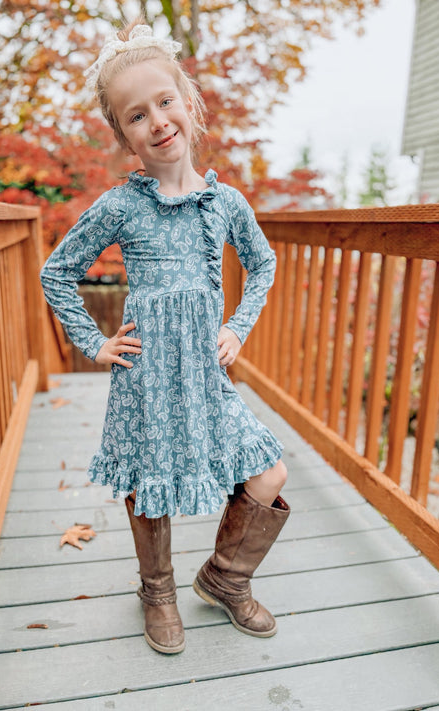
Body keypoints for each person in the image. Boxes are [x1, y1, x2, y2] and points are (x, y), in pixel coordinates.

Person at [40, 19, 290, 656]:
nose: (156, 121)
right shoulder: (122, 206)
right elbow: (56, 273)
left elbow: (262, 263)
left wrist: (237, 326)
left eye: (164, 101)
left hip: (206, 374)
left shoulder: (226, 203)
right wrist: (94, 342)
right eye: (136, 115)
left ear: (188, 101)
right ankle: (157, 590)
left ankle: (225, 577)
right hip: (147, 375)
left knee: (269, 471)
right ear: (123, 133)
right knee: (150, 483)